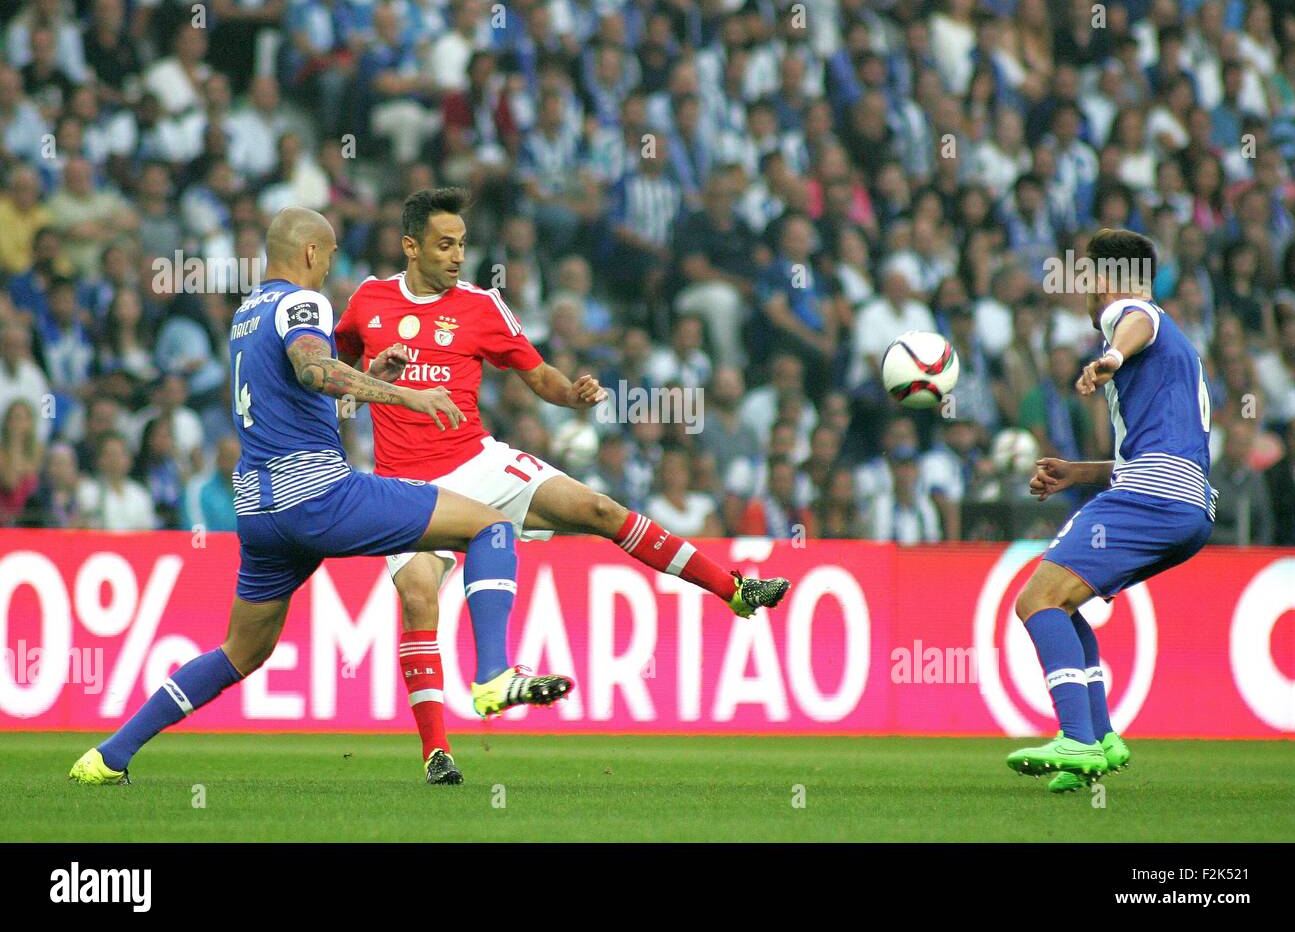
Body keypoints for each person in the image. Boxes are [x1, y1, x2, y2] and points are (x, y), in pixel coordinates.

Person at [70, 207, 572, 790]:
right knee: (491, 529)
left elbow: (304, 400)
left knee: (240, 651)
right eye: (330, 256)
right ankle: (491, 675)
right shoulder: (301, 304)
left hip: (258, 510)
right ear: (311, 253)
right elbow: (313, 371)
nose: (331, 268)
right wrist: (406, 396)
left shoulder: (245, 315)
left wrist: (366, 374)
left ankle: (107, 756)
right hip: (317, 494)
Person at [334, 188, 792, 769]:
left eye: (462, 245)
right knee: (419, 600)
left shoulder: (480, 305)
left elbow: (538, 373)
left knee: (599, 510)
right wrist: (372, 375)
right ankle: (437, 752)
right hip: (403, 484)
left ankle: (734, 590)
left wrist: (572, 395)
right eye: (445, 245)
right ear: (409, 246)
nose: (456, 257)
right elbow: (335, 375)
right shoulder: (368, 302)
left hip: (477, 461)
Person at [1009, 229, 1216, 792]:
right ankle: (1099, 741)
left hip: (1152, 495)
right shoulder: (1178, 344)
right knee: (1066, 606)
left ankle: (1074, 737)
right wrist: (1078, 473)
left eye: (1085, 274)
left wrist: (1113, 353)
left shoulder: (1129, 313)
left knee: (1035, 600)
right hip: (1187, 503)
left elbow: (1136, 321)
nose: (1081, 287)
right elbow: (1158, 446)